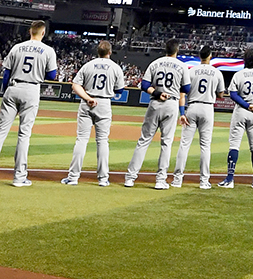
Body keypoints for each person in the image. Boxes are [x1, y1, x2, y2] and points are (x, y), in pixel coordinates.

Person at [0, 21, 58, 187]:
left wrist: (6, 92)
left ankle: (19, 177)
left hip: (13, 87)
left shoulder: (17, 47)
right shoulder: (48, 50)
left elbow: (6, 74)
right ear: (43, 32)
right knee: (24, 135)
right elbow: (52, 75)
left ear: (30, 31)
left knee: (1, 131)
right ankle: (19, 178)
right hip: (31, 89)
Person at [124, 39, 189, 189]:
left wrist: (158, 92)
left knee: (144, 140)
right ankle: (160, 180)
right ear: (176, 50)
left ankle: (130, 178)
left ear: (165, 49)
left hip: (155, 102)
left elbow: (144, 85)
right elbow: (186, 88)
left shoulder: (155, 63)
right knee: (166, 143)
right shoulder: (182, 66)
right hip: (171, 104)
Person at [61, 39, 124, 187]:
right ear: (109, 52)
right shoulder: (115, 67)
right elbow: (120, 90)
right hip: (104, 103)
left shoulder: (88, 65)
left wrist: (88, 98)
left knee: (81, 140)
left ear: (98, 52)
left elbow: (75, 85)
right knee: (102, 141)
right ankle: (103, 179)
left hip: (87, 102)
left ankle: (73, 178)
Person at [173, 46, 225, 190]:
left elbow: (182, 92)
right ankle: (204, 181)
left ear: (199, 56)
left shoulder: (191, 70)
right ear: (210, 56)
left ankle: (177, 180)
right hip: (207, 108)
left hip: (192, 106)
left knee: (184, 144)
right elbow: (221, 94)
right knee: (205, 146)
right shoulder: (217, 72)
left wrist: (182, 112)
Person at [219, 48, 253, 189]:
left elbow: (233, 94)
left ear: (245, 60)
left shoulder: (239, 74)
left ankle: (230, 179)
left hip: (241, 110)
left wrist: (247, 105)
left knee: (234, 144)